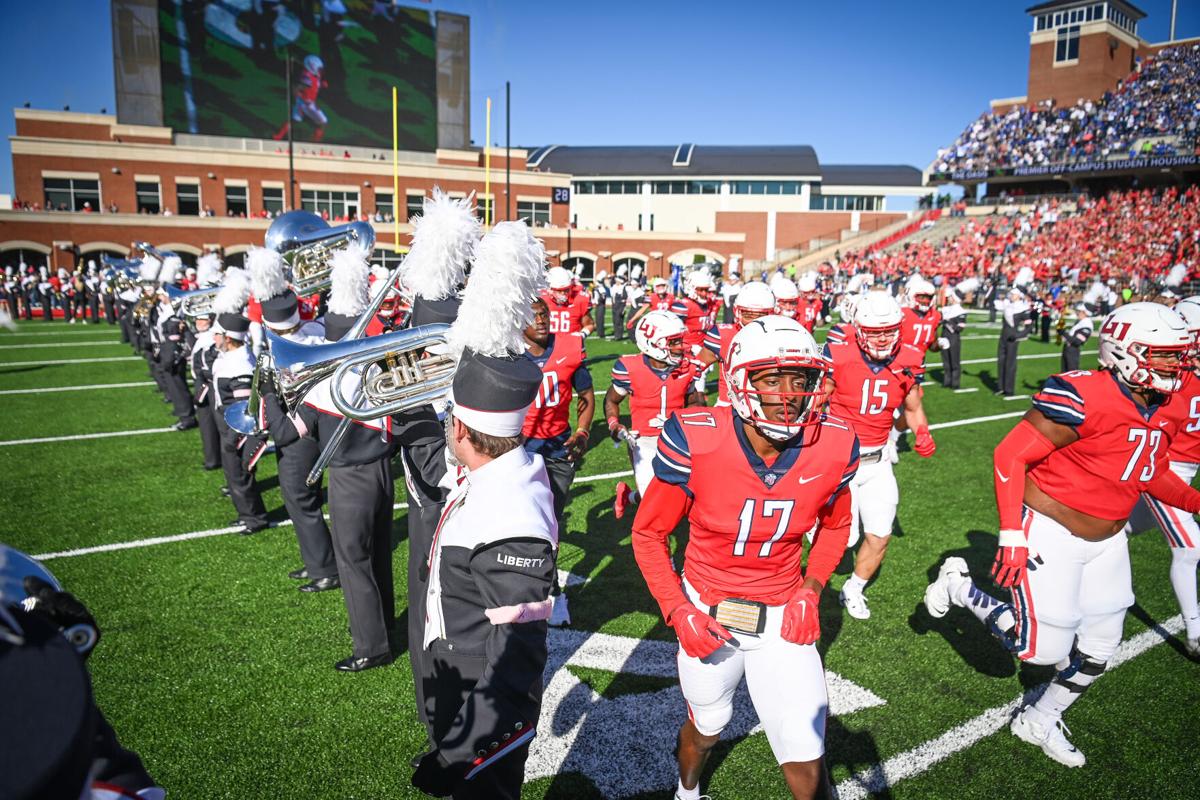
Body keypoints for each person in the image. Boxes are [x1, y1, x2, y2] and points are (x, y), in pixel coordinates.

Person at [924, 302, 1200, 767]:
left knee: (1099, 648)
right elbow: (1010, 456)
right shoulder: (1083, 393)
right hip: (1052, 528)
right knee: (1038, 650)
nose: (1179, 366)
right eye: (1166, 355)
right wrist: (1010, 533)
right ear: (1125, 352)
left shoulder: (1165, 403)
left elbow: (1148, 471)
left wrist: (1196, 502)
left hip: (1108, 541)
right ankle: (959, 585)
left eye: (1181, 356)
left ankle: (1038, 720)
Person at [631, 315, 859, 800]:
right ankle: (687, 791)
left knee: (806, 748)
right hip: (708, 609)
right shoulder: (698, 437)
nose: (788, 393)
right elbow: (649, 534)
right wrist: (678, 610)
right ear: (739, 381)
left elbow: (837, 526)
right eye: (771, 378)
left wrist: (812, 589)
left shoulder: (835, 442)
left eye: (800, 380)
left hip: (782, 612)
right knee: (709, 723)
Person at [412, 221, 556, 800]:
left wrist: (465, 751)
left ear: (463, 427)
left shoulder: (511, 513)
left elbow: (516, 663)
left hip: (477, 698)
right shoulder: (495, 467)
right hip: (457, 673)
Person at [825, 291, 936, 620]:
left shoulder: (910, 358)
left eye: (888, 330)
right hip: (839, 460)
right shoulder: (839, 353)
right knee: (846, 538)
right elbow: (816, 403)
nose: (883, 338)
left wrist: (923, 431)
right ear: (859, 329)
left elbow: (913, 407)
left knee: (880, 534)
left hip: (879, 459)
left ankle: (854, 588)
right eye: (875, 332)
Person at [246, 247, 338, 592]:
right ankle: (317, 561)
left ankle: (326, 569)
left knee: (300, 498)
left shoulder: (292, 350)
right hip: (307, 425)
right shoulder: (313, 332)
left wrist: (268, 393)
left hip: (300, 430)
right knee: (300, 499)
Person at [1123, 298, 1200, 658]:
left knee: (1121, 528)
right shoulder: (1171, 378)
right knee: (1189, 548)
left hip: (1186, 470)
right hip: (1164, 470)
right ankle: (1196, 633)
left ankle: (1083, 545)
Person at [521, 296, 595, 625]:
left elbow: (587, 397)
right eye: (534, 315)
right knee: (522, 522)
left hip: (557, 448)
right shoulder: (507, 354)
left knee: (548, 523)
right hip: (518, 449)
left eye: (545, 314)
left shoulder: (567, 349)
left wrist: (582, 432)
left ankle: (553, 593)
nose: (541, 320)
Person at [607, 310, 704, 519]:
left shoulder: (688, 368)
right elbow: (612, 400)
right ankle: (658, 550)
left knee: (682, 496)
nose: (680, 346)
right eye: (674, 342)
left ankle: (627, 496)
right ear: (652, 343)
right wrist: (614, 424)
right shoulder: (629, 368)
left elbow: (693, 401)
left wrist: (698, 422)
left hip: (677, 438)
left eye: (680, 341)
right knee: (655, 504)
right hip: (644, 440)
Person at [210, 269, 270, 535]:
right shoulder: (229, 357)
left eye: (217, 335)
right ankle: (245, 513)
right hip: (225, 424)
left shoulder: (240, 365)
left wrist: (234, 440)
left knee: (241, 477)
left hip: (233, 429)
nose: (214, 339)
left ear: (228, 338)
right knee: (234, 477)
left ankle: (254, 518)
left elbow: (244, 410)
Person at [696, 281, 776, 408]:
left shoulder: (778, 337)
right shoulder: (723, 335)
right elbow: (693, 369)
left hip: (765, 408)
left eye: (761, 315)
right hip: (729, 407)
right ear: (737, 312)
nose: (754, 322)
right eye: (748, 314)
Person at [997, 287, 1033, 397]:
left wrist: (1018, 335)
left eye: (1013, 294)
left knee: (1010, 363)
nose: (1011, 295)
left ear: (1019, 296)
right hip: (1003, 335)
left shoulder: (1022, 308)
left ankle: (1009, 389)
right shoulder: (1007, 304)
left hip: (1013, 337)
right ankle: (1001, 387)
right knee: (1001, 361)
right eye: (1011, 294)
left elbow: (1028, 327)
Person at [938, 280, 972, 389]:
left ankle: (955, 383)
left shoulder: (961, 312)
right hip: (944, 336)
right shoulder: (946, 309)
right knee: (945, 359)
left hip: (953, 338)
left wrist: (948, 323)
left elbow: (960, 328)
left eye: (951, 297)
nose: (949, 298)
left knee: (954, 360)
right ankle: (947, 381)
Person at [541, 265, 594, 336]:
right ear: (549, 289)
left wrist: (582, 335)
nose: (563, 294)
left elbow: (589, 325)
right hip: (548, 346)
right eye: (559, 291)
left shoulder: (579, 299)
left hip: (572, 345)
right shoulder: (541, 300)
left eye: (566, 290)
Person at [1062, 304, 1094, 372]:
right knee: (1064, 373)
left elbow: (1077, 341)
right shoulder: (1081, 322)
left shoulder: (1087, 324)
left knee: (1071, 373)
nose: (1077, 313)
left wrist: (1063, 333)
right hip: (1068, 348)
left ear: (1085, 313)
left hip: (1073, 350)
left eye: (1079, 311)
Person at [591, 270, 609, 338]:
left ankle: (601, 334)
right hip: (598, 305)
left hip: (601, 306)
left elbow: (603, 297)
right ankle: (599, 332)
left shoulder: (601, 288)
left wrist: (598, 301)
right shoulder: (597, 288)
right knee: (597, 319)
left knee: (600, 320)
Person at [612, 274, 629, 340]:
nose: (616, 281)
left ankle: (619, 336)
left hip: (620, 306)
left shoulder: (623, 288)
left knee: (619, 321)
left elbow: (625, 298)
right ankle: (616, 335)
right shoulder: (614, 287)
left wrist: (624, 308)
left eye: (617, 281)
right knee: (615, 321)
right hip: (614, 306)